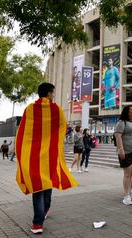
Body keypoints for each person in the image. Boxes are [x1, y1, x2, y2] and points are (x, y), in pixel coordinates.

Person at [15, 83, 78, 234]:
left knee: (38, 188)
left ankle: (38, 224)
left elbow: (23, 132)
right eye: (53, 93)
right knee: (47, 183)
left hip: (33, 157)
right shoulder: (56, 109)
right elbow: (63, 127)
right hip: (49, 155)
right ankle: (43, 212)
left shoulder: (29, 109)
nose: (54, 95)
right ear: (49, 93)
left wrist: (22, 154)